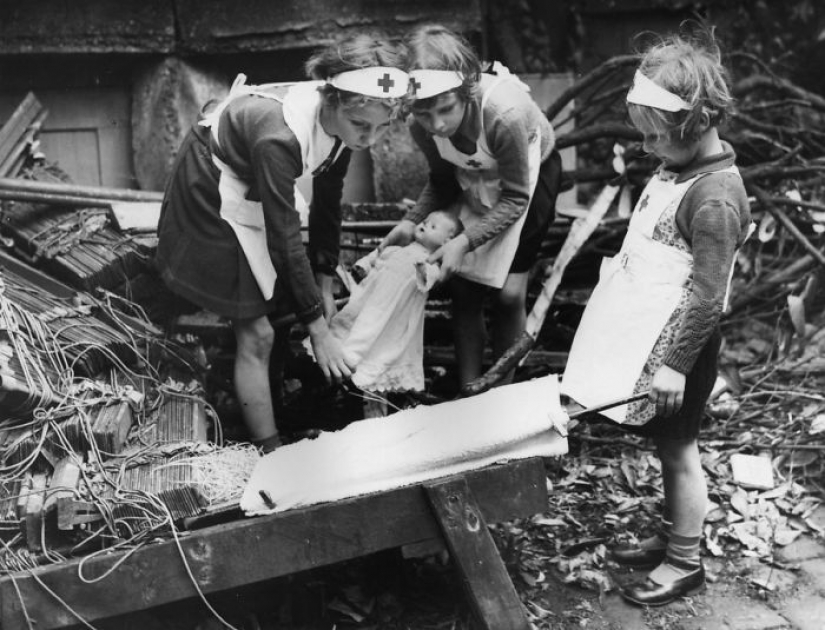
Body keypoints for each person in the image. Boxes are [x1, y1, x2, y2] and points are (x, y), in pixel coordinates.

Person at [561, 28, 752, 606]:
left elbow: (706, 296)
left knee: (680, 449)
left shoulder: (714, 197)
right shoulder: (680, 170)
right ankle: (672, 535)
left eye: (657, 138)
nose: (648, 149)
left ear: (695, 126)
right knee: (664, 446)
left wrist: (674, 365)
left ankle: (685, 562)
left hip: (683, 351)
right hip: (656, 340)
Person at [155, 34, 409, 452]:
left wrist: (324, 283)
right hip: (212, 185)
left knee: (281, 305)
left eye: (382, 128)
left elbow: (329, 202)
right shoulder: (280, 135)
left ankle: (275, 405)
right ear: (332, 98)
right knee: (256, 332)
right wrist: (319, 329)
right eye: (362, 126)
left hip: (255, 181)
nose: (370, 139)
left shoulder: (345, 125)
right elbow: (284, 236)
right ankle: (269, 450)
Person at [380, 24, 562, 392]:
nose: (438, 124)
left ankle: (501, 391)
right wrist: (411, 220)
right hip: (474, 178)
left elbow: (515, 197)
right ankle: (469, 392)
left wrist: (462, 242)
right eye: (425, 114)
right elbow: (444, 180)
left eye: (446, 109)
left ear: (466, 89)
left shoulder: (503, 113)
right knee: (464, 291)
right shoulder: (422, 126)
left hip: (527, 179)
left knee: (509, 294)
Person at [321, 210, 462, 402]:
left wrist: (422, 266)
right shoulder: (399, 249)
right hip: (371, 302)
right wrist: (366, 264)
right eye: (425, 221)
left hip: (393, 313)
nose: (423, 225)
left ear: (447, 242)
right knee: (359, 328)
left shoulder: (430, 263)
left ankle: (364, 384)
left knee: (380, 343)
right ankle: (342, 370)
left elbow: (429, 277)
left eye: (433, 226)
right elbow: (380, 255)